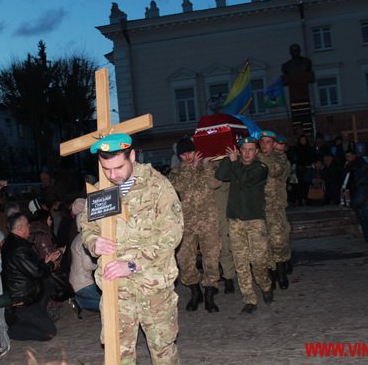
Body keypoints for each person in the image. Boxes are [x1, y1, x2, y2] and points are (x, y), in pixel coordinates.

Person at [81, 133, 184, 363]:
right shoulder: (99, 192)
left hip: (153, 288)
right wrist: (93, 242)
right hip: (116, 291)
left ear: (133, 156)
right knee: (118, 356)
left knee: (163, 353)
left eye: (118, 167)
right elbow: (87, 227)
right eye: (106, 168)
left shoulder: (158, 186)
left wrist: (133, 264)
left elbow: (172, 234)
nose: (112, 175)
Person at [215, 136, 271, 313]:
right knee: (241, 262)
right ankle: (249, 299)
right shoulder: (234, 164)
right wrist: (227, 156)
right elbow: (220, 175)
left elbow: (246, 179)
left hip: (255, 221)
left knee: (258, 261)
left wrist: (234, 162)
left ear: (256, 151)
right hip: (236, 221)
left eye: (250, 149)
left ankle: (265, 283)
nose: (247, 153)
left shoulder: (261, 168)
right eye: (243, 149)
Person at [169, 136, 222, 312]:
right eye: (183, 154)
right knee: (184, 259)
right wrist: (189, 170)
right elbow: (178, 188)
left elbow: (215, 183)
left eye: (190, 152)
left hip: (208, 221)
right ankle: (194, 291)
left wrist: (204, 166)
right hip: (187, 223)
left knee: (211, 258)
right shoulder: (176, 172)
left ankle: (209, 294)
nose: (188, 157)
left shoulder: (208, 166)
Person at [1, 213, 59, 341]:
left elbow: (30, 267)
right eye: (28, 225)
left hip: (29, 293)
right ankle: (11, 330)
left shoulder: (13, 242)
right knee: (49, 332)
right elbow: (37, 271)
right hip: (22, 300)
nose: (30, 227)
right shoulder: (18, 248)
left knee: (48, 282)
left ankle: (37, 317)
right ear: (20, 228)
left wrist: (45, 261)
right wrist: (51, 264)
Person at [258, 131, 292, 289]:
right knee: (263, 243)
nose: (264, 144)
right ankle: (271, 274)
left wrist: (255, 159)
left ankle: (281, 272)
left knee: (278, 240)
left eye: (268, 141)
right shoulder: (254, 157)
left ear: (273, 143)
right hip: (258, 208)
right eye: (262, 141)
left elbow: (274, 170)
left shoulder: (280, 158)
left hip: (275, 206)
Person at [68, 198, 101, 315]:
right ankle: (79, 303)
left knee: (101, 300)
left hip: (74, 281)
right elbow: (87, 265)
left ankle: (79, 301)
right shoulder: (84, 241)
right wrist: (99, 264)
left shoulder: (76, 238)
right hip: (84, 283)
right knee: (105, 303)